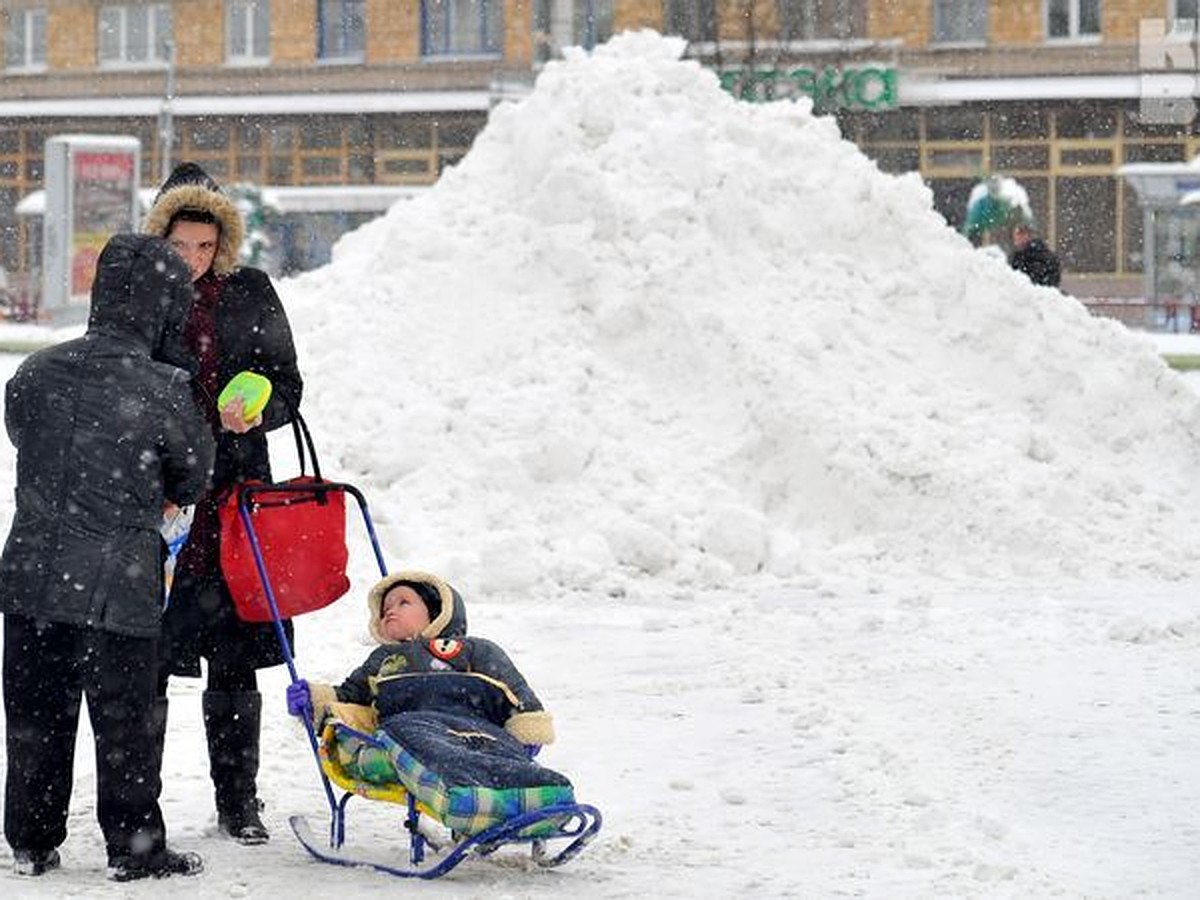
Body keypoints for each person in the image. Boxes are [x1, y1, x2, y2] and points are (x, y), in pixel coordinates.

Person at [0, 233, 214, 881]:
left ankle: (32, 839)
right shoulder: (165, 387)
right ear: (162, 307)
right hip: (117, 585)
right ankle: (134, 846)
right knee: (126, 724)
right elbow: (193, 477)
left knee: (36, 716)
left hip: (32, 576)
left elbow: (20, 432)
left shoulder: (35, 373)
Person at [144, 161, 304, 844]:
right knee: (144, 661)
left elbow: (289, 386)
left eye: (205, 246)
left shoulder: (250, 291)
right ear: (160, 239)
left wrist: (257, 411)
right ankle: (138, 813)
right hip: (163, 504)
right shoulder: (138, 293)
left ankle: (238, 802)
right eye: (180, 246)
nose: (193, 260)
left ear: (225, 242)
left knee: (234, 662)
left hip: (236, 500)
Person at [286, 571, 560, 795]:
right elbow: (349, 696)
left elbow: (514, 688)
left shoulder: (476, 649)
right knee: (424, 745)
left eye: (403, 602)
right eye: (385, 609)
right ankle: (467, 792)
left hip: (480, 727)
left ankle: (542, 791)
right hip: (411, 724)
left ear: (438, 610)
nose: (390, 611)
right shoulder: (383, 658)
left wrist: (528, 724)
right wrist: (313, 700)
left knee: (501, 752)